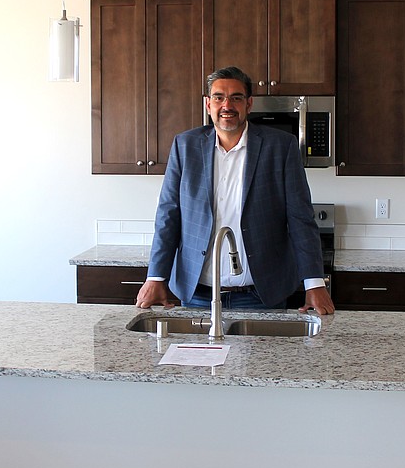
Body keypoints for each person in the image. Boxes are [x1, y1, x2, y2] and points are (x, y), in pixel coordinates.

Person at [135, 66, 335, 315]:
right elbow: (168, 216)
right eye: (219, 97)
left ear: (249, 104)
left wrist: (314, 282)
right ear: (208, 104)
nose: (226, 105)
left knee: (265, 356)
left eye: (236, 98)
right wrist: (156, 276)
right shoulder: (185, 146)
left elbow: (300, 219)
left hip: (261, 294)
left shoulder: (281, 147)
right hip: (197, 293)